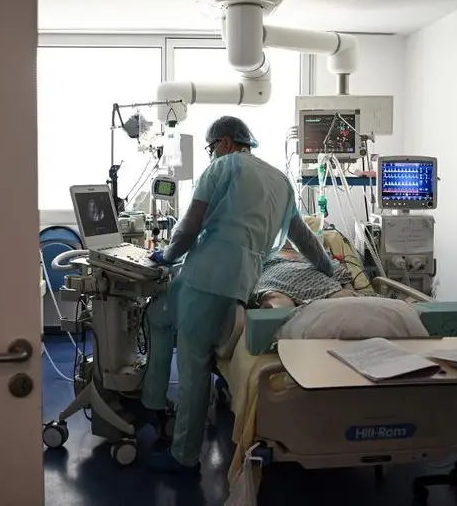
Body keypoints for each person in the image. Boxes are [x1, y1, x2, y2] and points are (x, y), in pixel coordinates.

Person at [139, 115, 334, 475]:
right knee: (160, 315)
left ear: (225, 142)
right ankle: (152, 402)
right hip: (242, 283)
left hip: (205, 277)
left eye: (211, 148)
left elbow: (190, 225)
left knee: (192, 360)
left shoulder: (223, 168)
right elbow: (304, 237)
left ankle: (181, 452)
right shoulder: (281, 182)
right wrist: (329, 268)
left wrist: (166, 256)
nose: (212, 155)